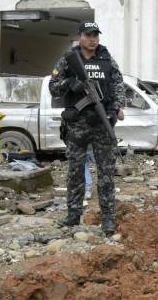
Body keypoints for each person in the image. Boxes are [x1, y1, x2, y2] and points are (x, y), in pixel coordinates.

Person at [49, 22, 125, 233]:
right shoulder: (68, 59)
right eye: (88, 35)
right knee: (75, 172)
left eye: (95, 35)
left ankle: (108, 218)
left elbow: (119, 86)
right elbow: (53, 89)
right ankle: (73, 216)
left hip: (101, 124)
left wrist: (114, 109)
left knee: (106, 173)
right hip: (77, 125)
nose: (93, 39)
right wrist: (69, 84)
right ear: (80, 36)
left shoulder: (107, 58)